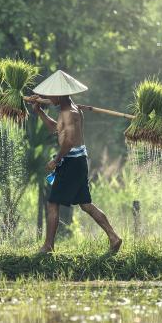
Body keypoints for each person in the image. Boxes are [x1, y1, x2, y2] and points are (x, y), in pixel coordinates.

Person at [27, 70, 122, 254]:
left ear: (60, 94)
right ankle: (114, 237)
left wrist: (56, 160)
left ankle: (48, 246)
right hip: (78, 161)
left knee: (53, 203)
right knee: (85, 204)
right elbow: (57, 129)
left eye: (51, 94)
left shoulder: (70, 112)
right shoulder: (69, 110)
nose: (48, 97)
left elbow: (68, 142)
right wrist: (39, 111)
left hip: (71, 162)